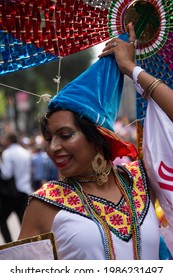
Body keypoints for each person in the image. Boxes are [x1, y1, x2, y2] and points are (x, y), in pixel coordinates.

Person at [15, 23, 173, 260]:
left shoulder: (140, 180)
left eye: (65, 135)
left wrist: (132, 69)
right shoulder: (44, 205)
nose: (53, 147)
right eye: (48, 138)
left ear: (99, 136)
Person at [0, 132, 32, 243]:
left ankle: (9, 244)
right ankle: (26, 244)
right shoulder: (25, 152)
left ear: (9, 140)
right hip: (25, 191)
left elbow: (6, 174)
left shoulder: (7, 153)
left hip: (11, 194)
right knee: (23, 222)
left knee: (2, 220)